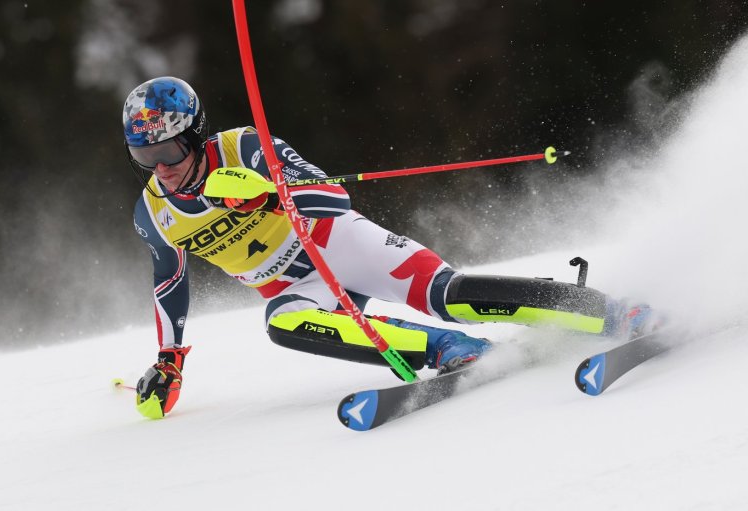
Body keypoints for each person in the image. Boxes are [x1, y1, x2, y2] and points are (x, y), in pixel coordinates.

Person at [124, 76, 657, 419]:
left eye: (168, 149)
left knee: (450, 293)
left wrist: (266, 195)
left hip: (338, 242)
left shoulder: (245, 147)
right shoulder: (154, 212)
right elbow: (168, 282)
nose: (162, 168)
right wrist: (169, 359)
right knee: (282, 322)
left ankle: (608, 311)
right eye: (144, 157)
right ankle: (448, 349)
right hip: (299, 284)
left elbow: (332, 196)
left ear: (194, 136)